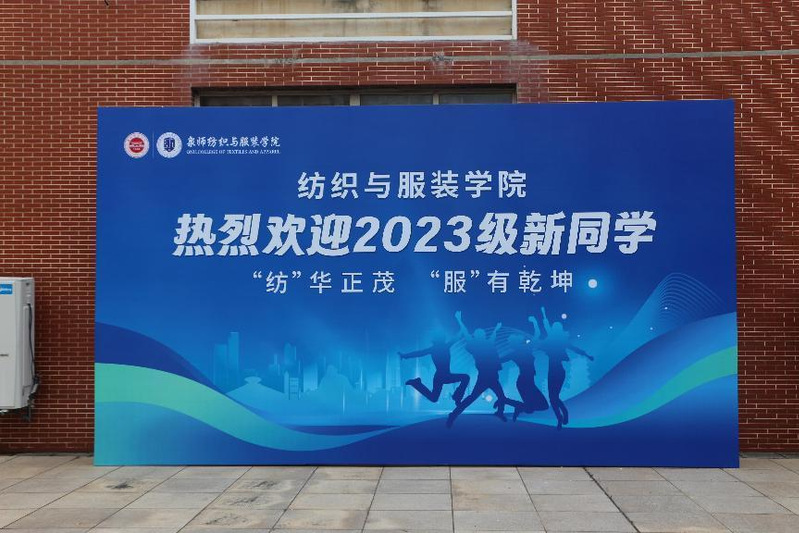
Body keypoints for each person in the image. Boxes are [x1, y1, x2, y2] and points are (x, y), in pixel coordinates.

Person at [446, 311, 508, 427]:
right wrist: (459, 320)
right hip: (486, 376)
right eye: (481, 333)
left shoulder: (484, 344)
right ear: (478, 336)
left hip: (490, 376)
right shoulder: (476, 345)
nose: (483, 334)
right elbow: (466, 333)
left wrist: (496, 329)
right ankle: (453, 415)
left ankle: (499, 412)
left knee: (499, 397)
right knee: (478, 398)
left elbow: (490, 336)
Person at [538, 307, 593, 430]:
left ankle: (562, 417)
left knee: (553, 398)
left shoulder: (558, 342)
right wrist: (543, 314)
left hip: (556, 372)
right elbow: (547, 327)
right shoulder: (556, 341)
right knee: (553, 398)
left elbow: (574, 348)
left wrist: (543, 313)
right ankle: (561, 417)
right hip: (555, 372)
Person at [499, 316, 549, 421]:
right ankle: (505, 401)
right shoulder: (517, 352)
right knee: (537, 407)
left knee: (535, 408)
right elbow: (499, 360)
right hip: (524, 382)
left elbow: (537, 335)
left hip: (528, 381)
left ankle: (513, 404)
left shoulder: (526, 349)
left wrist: (535, 323)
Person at [400, 331, 469, 405]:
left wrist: (405, 356)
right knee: (466, 377)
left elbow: (419, 353)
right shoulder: (445, 346)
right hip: (444, 375)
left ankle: (417, 384)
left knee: (434, 398)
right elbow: (455, 339)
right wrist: (462, 332)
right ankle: (457, 397)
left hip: (439, 376)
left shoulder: (435, 349)